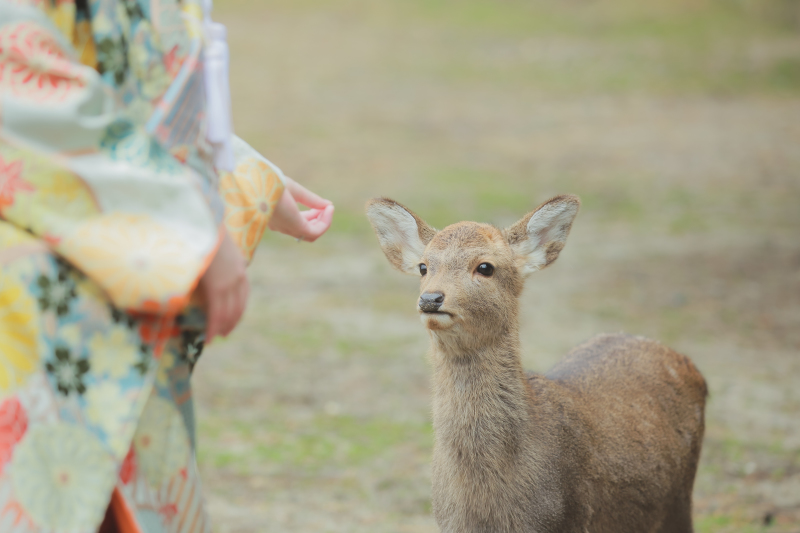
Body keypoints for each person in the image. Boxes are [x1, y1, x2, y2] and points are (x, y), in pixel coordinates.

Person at [0, 0, 333, 531]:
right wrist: (189, 222)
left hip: (97, 312)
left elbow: (132, 97)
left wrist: (241, 169)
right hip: (37, 303)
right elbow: (19, 81)